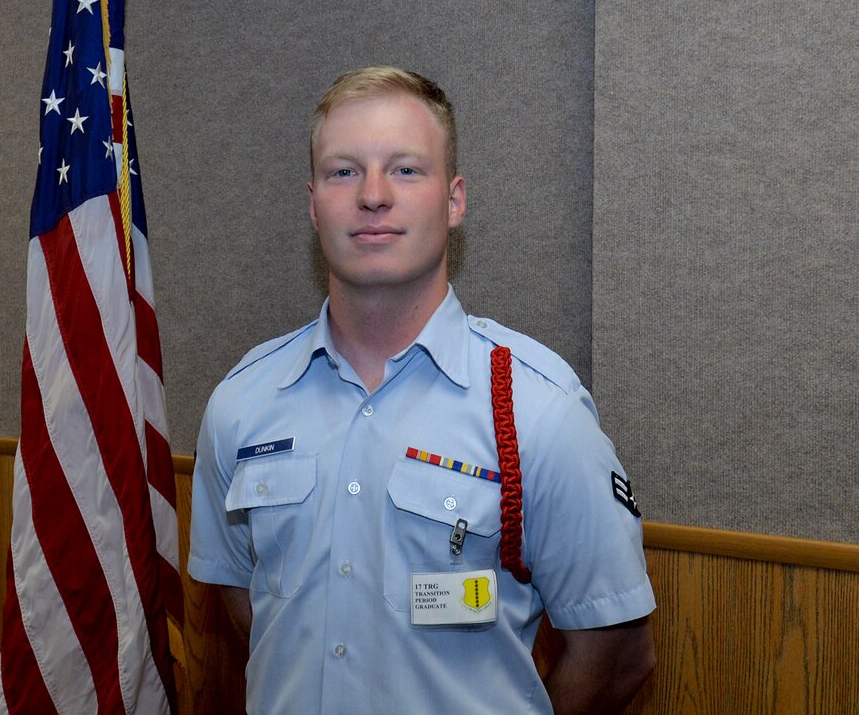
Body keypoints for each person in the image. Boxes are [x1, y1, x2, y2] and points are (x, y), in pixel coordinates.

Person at [189, 65, 656, 714]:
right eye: (343, 171)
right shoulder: (242, 404)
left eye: (406, 169)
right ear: (312, 201)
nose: (373, 195)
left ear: (455, 199)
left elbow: (617, 656)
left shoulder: (539, 413)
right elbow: (249, 606)